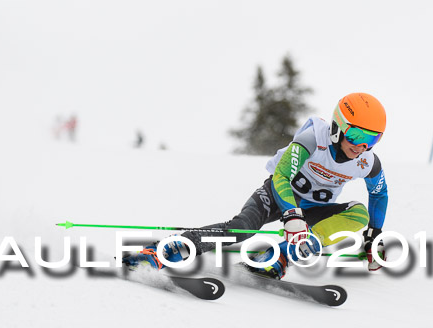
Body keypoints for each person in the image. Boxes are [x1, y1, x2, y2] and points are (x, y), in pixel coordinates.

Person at [123, 92, 389, 279]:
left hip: (314, 207)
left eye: (372, 139)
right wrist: (292, 216)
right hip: (278, 194)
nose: (362, 146)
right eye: (357, 135)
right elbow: (282, 176)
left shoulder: (367, 162)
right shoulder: (312, 139)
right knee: (241, 229)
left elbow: (379, 194)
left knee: (358, 213)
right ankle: (166, 250)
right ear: (339, 127)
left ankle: (281, 256)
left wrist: (373, 236)